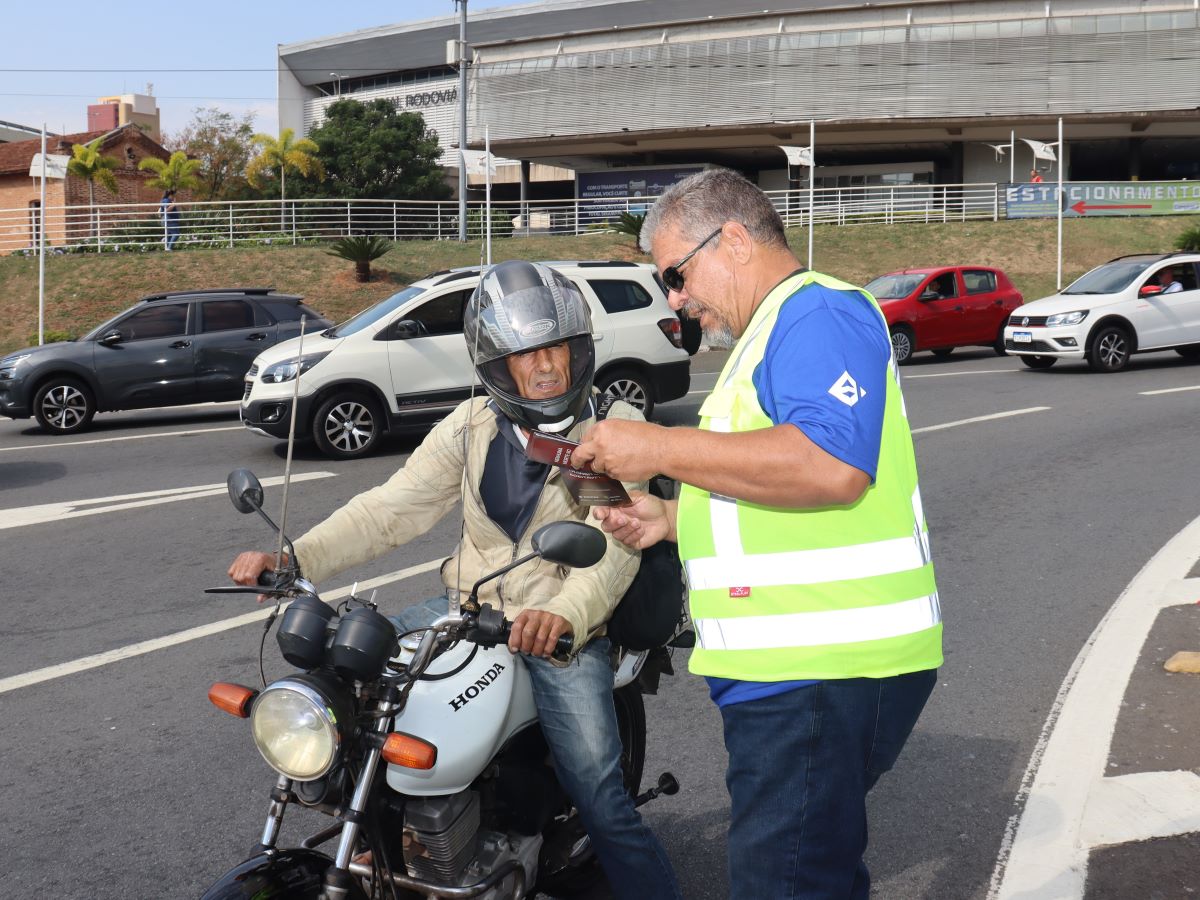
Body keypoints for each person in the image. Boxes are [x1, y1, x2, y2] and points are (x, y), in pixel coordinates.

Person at [228, 260, 680, 900]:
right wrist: (294, 558)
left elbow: (615, 543)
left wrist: (566, 617)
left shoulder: (603, 438)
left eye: (556, 348)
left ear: (580, 352)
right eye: (526, 354)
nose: (545, 367)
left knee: (601, 798)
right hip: (466, 609)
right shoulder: (471, 428)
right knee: (352, 675)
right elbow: (392, 508)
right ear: (496, 365)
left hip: (556, 633)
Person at [572, 167, 941, 900]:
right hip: (806, 668)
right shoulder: (772, 331)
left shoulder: (816, 314)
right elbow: (770, 483)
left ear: (733, 239)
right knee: (811, 874)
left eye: (676, 274)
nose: (676, 299)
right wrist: (673, 519)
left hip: (821, 667)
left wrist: (657, 448)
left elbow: (830, 465)